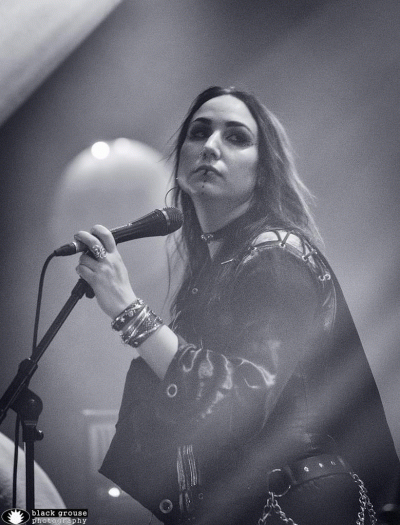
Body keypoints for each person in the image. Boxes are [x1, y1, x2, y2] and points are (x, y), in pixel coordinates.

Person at [74, 86, 399, 525]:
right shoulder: (223, 265)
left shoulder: (276, 257)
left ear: (264, 171)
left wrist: (127, 308)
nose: (210, 146)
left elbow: (245, 396)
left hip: (300, 505)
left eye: (236, 137)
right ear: (180, 163)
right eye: (199, 132)